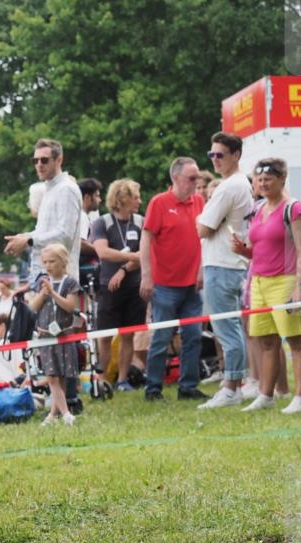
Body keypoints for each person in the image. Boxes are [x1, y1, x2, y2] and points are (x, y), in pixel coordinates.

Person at [232, 158, 301, 414]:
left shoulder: (294, 209)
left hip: (285, 281)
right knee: (266, 341)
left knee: (295, 340)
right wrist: (243, 251)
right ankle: (266, 395)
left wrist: (299, 287)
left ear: (282, 179)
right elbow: (258, 250)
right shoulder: (258, 209)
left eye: (268, 179)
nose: (263, 183)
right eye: (259, 179)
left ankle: (300, 397)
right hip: (259, 281)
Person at [140, 157, 207, 402]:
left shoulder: (199, 201)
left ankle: (188, 386)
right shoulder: (159, 202)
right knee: (161, 337)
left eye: (197, 177)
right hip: (164, 284)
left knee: (194, 336)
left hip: (191, 284)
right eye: (192, 178)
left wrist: (201, 270)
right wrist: (146, 275)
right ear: (176, 178)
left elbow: (203, 239)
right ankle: (153, 388)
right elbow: (146, 238)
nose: (196, 182)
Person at [195, 132, 254, 410]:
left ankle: (232, 388)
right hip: (229, 264)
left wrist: (203, 219)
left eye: (220, 155)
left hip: (222, 265)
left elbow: (203, 229)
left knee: (227, 330)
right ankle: (234, 384)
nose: (215, 160)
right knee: (231, 329)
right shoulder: (241, 184)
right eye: (212, 155)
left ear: (236, 155)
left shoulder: (229, 187)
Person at [90, 179, 145, 391]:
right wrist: (133, 257)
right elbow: (103, 252)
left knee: (128, 334)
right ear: (122, 199)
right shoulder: (102, 223)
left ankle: (122, 380)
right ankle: (103, 380)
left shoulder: (141, 221)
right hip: (108, 286)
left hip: (134, 286)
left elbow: (146, 253)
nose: (140, 201)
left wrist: (123, 268)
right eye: (135, 197)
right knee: (104, 335)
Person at [4, 139, 82, 286]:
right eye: (35, 160)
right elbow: (45, 232)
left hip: (60, 281)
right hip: (44, 277)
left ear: (59, 160)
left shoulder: (66, 189)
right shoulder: (49, 189)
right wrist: (24, 237)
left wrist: (29, 240)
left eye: (44, 160)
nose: (39, 164)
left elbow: (65, 235)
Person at [30, 244, 81, 426]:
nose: (48, 265)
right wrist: (43, 295)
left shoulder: (71, 283)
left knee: (61, 376)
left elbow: (70, 307)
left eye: (52, 261)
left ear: (63, 262)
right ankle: (66, 414)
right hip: (45, 336)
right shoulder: (41, 282)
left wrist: (53, 293)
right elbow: (33, 307)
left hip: (64, 335)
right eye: (45, 262)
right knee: (51, 376)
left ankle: (53, 414)